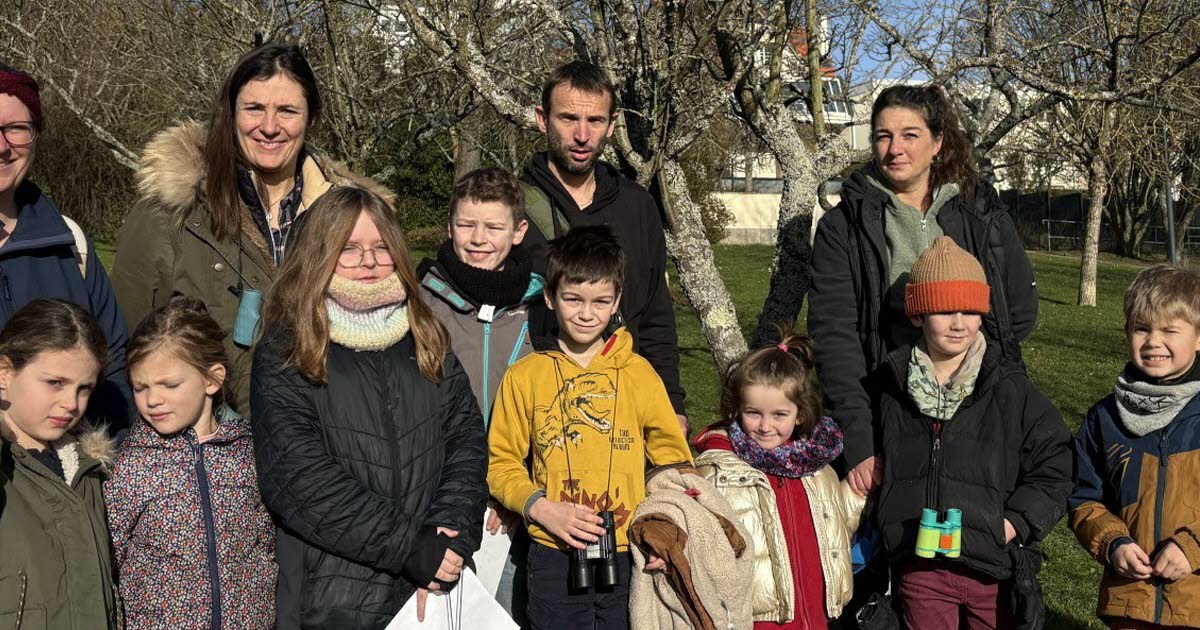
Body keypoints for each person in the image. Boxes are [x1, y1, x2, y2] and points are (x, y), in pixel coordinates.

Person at [250, 186, 487, 629]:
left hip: (432, 589)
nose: (369, 262)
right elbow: (299, 478)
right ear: (320, 254)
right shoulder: (289, 346)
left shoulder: (425, 334)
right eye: (350, 249)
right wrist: (410, 548)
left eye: (381, 248)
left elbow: (466, 440)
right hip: (334, 598)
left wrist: (446, 540)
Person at [112, 43, 392, 415]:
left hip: (329, 451)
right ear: (231, 114)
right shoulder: (169, 213)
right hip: (210, 457)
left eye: (287, 111)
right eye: (254, 109)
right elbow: (124, 351)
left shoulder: (357, 219)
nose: (270, 127)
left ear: (311, 118)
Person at [807, 84, 1038, 499]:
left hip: (976, 409)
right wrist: (860, 441)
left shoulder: (979, 211)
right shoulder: (844, 227)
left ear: (938, 143)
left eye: (910, 135)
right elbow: (835, 340)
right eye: (883, 136)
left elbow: (1016, 310)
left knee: (975, 541)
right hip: (889, 409)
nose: (895, 148)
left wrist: (974, 376)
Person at [487, 225, 693, 630]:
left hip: (628, 552)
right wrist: (541, 509)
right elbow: (501, 464)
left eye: (600, 302)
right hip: (552, 553)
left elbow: (673, 463)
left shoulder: (639, 374)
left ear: (616, 300)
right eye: (573, 299)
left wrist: (664, 530)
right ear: (549, 297)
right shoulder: (524, 376)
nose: (586, 313)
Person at [870, 237, 1071, 629]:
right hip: (919, 566)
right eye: (944, 310)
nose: (958, 323)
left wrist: (1015, 521)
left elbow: (1056, 462)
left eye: (969, 310)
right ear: (917, 316)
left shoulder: (1010, 388)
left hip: (992, 568)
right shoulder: (890, 386)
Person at [520, 60, 688, 433]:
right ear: (541, 119)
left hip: (626, 410)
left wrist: (670, 402)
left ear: (612, 125)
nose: (582, 135)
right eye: (567, 119)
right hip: (540, 412)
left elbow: (656, 313)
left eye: (595, 121)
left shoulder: (638, 206)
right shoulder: (510, 208)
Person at [105, 298, 276, 629]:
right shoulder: (130, 467)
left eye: (169, 385)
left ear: (212, 380)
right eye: (140, 387)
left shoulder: (247, 454)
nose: (153, 399)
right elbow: (109, 561)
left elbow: (266, 545)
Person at [416, 166, 540, 624]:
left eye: (493, 227)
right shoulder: (420, 303)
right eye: (467, 224)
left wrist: (520, 491)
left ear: (519, 231)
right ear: (449, 227)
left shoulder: (542, 312)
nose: (478, 238)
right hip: (438, 496)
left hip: (513, 502)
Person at [694, 333, 866, 629]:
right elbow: (696, 529)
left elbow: (836, 526)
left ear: (800, 415)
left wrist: (857, 493)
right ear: (737, 409)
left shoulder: (817, 469)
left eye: (779, 414)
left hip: (817, 614)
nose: (765, 426)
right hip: (759, 619)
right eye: (753, 413)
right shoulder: (719, 470)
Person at [0, 64, 131, 431]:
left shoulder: (69, 242)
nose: (2, 146)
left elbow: (113, 367)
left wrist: (107, 469)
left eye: (16, 129)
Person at [1070, 265, 1200, 630]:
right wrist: (1113, 542)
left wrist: (1192, 548)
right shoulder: (1105, 418)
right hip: (1130, 603)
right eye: (1142, 328)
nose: (1153, 341)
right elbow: (1082, 497)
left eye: (1169, 330)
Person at [0, 299, 119, 628]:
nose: (71, 404)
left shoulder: (88, 470)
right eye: (55, 382)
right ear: (4, 373)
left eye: (84, 389)